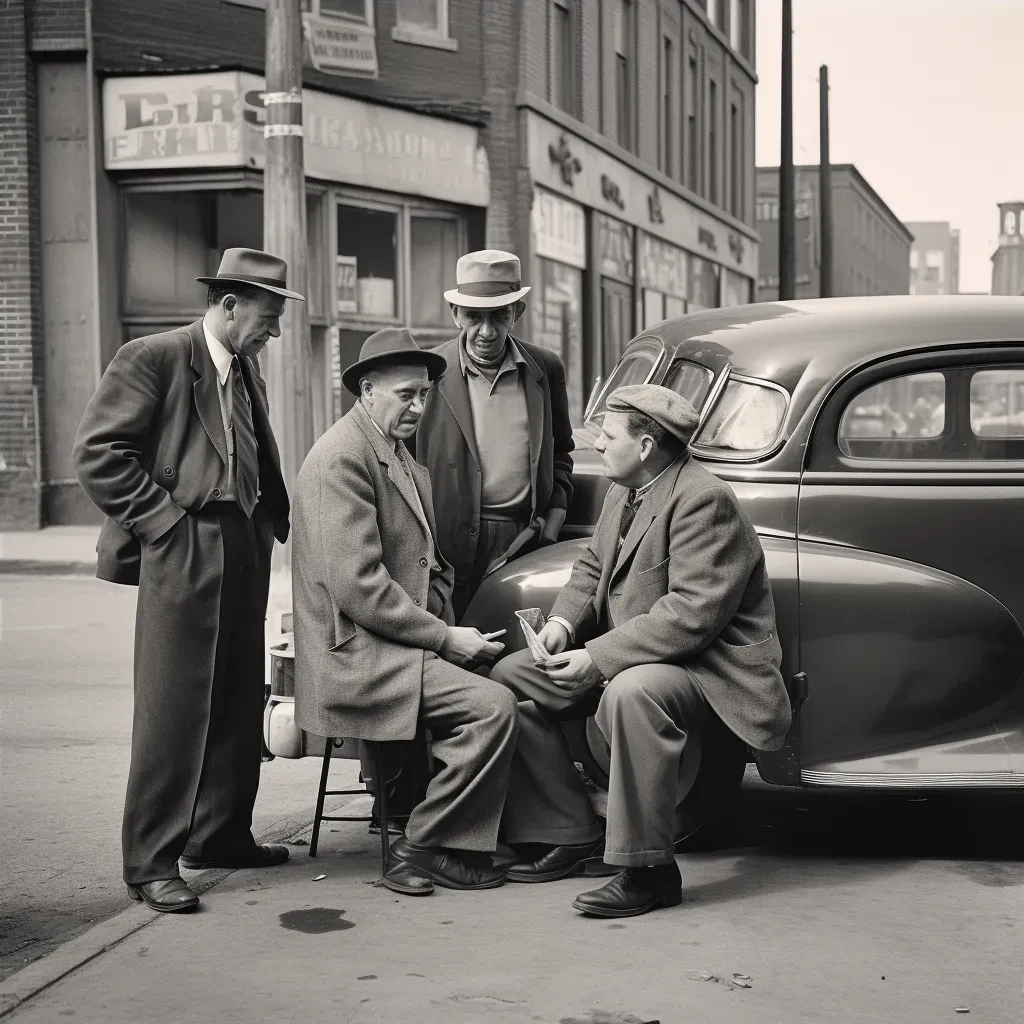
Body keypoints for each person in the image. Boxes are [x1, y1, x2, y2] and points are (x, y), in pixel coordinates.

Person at [491, 384, 792, 918]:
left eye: (607, 436)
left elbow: (691, 617)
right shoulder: (625, 488)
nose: (598, 446)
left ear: (647, 445)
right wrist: (562, 624)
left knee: (632, 693)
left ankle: (648, 871)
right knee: (511, 673)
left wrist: (597, 658)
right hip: (649, 655)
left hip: (709, 669)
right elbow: (590, 567)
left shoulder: (703, 498)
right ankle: (572, 830)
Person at [73, 248, 299, 914]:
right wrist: (165, 524)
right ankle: (150, 860)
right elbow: (97, 454)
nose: (275, 330)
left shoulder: (243, 366)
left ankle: (219, 834)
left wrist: (267, 525)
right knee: (174, 709)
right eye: (268, 316)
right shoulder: (155, 356)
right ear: (229, 305)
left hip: (243, 540)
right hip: (186, 539)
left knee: (234, 697)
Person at [291, 327, 520, 896]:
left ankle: (465, 840)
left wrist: (463, 628)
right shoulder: (340, 460)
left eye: (424, 395)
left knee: (515, 678)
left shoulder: (391, 451)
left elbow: (423, 565)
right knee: (492, 706)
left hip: (390, 640)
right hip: (355, 655)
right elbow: (361, 589)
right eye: (405, 395)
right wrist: (445, 638)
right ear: (366, 391)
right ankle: (423, 847)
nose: (419, 406)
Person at [413, 249, 574, 621]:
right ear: (455, 314)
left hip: (523, 541)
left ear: (517, 312)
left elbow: (561, 451)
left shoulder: (545, 368)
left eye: (499, 316)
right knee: (450, 651)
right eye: (473, 317)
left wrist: (554, 517)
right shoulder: (427, 372)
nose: (486, 332)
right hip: (444, 545)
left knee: (512, 647)